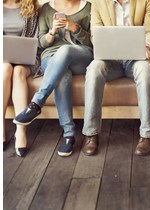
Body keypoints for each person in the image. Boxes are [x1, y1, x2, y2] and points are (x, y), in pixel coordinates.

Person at [13, 0, 93, 157]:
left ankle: (36, 103)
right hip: (51, 57)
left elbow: (92, 42)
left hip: (80, 56)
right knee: (62, 75)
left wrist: (74, 27)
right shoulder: (47, 9)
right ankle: (69, 135)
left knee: (65, 50)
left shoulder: (88, 7)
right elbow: (42, 43)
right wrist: (52, 32)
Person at [81, 0, 150, 156]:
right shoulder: (98, 3)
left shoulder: (147, 1)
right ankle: (90, 134)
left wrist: (147, 45)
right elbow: (95, 34)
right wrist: (107, 45)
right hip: (110, 59)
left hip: (135, 58)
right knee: (94, 68)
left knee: (145, 70)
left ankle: (147, 134)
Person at [3, 0, 40, 156]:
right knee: (5, 68)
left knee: (18, 71)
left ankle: (21, 130)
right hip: (2, 60)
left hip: (26, 59)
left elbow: (36, 40)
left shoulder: (32, 6)